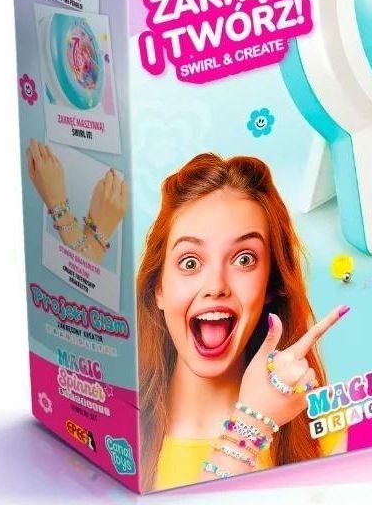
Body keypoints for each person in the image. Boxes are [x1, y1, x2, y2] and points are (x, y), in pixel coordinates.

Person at [136, 153, 348, 490]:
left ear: (270, 285)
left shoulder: (328, 434)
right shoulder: (119, 437)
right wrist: (250, 428)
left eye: (244, 259)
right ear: (158, 288)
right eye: (190, 263)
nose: (216, 285)